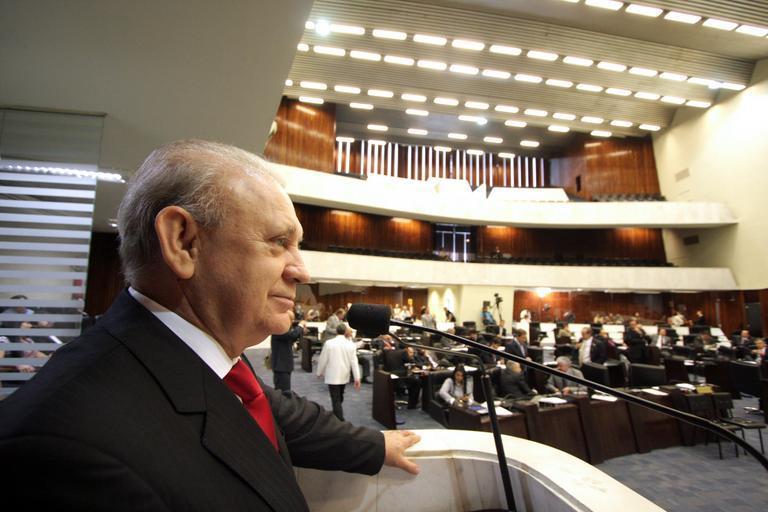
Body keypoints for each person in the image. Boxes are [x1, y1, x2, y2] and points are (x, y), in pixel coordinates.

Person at [0, 140, 419, 510]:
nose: (302, 271)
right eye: (278, 242)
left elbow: (270, 412)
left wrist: (374, 443)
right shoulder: (62, 449)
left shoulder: (202, 353)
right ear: (183, 242)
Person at [316, 325, 360, 421]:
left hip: (332, 375)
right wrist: (357, 378)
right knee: (339, 396)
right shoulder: (351, 345)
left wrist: (319, 372)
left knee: (336, 398)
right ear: (345, 332)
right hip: (344, 375)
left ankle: (339, 419)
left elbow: (323, 359)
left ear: (336, 331)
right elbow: (354, 363)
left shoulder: (329, 343)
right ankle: (338, 414)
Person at [270, 320, 306, 392]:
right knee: (283, 391)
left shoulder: (282, 330)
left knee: (285, 390)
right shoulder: (278, 330)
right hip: (281, 366)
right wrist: (300, 326)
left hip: (284, 365)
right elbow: (292, 335)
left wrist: (301, 330)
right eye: (290, 320)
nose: (291, 322)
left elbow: (291, 338)